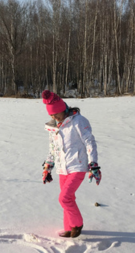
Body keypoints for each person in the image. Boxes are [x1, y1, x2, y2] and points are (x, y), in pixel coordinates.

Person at [41, 90, 101, 238]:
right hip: (62, 168)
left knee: (64, 198)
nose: (53, 117)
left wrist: (93, 163)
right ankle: (68, 228)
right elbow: (53, 149)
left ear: (63, 109)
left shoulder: (78, 122)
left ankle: (77, 224)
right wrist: (48, 167)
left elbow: (90, 142)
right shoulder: (54, 127)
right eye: (51, 115)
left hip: (78, 166)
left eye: (56, 114)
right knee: (68, 198)